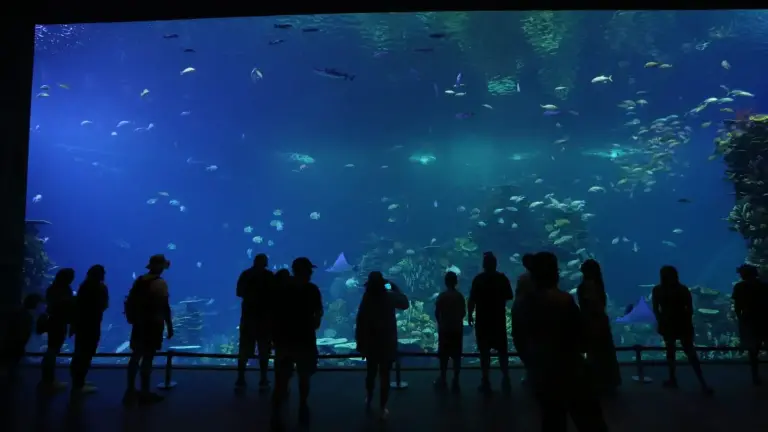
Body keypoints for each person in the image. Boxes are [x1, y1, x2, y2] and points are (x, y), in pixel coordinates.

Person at [525, 252, 608, 432]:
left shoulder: (528, 303)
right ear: (555, 274)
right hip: (571, 368)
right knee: (589, 421)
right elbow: (581, 335)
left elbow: (525, 338)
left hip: (545, 373)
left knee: (553, 421)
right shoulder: (564, 300)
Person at [271, 257, 323, 430]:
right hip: (304, 339)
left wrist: (274, 337)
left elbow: (273, 313)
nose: (311, 273)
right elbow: (318, 313)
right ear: (304, 271)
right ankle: (302, 404)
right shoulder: (312, 289)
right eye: (309, 270)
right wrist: (314, 322)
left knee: (283, 377)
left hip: (284, 339)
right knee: (303, 375)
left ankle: (278, 410)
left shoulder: (282, 288)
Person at [651, 265, 713, 394]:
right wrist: (687, 323)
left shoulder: (658, 290)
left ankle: (673, 379)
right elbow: (689, 309)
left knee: (671, 352)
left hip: (668, 324)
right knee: (689, 352)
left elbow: (656, 309)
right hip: (682, 324)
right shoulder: (683, 289)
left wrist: (661, 321)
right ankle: (702, 382)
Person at [356, 271, 409, 419]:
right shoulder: (389, 296)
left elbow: (360, 321)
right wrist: (394, 286)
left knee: (371, 373)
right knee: (385, 375)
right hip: (387, 342)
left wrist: (360, 343)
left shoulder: (367, 298)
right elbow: (405, 303)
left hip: (371, 343)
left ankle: (369, 398)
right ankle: (382, 407)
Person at [123, 254, 173, 405]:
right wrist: (169, 325)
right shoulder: (160, 283)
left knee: (135, 356)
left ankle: (130, 390)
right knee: (148, 357)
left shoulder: (140, 280)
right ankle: (145, 393)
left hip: (139, 324)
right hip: (153, 325)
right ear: (160, 267)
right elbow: (164, 306)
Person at [468, 251, 513, 394]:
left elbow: (472, 299)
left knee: (484, 352)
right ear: (496, 264)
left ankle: (486, 380)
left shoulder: (478, 279)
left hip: (483, 320)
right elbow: (509, 296)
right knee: (502, 351)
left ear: (484, 265)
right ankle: (506, 378)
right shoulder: (502, 279)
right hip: (498, 320)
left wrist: (469, 314)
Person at [577, 259, 621, 393]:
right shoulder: (598, 285)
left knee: (595, 352)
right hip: (601, 321)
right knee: (605, 352)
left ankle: (597, 381)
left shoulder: (586, 286)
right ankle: (609, 380)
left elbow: (590, 306)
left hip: (592, 323)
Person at [236, 253, 276, 391]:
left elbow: (239, 292)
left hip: (248, 318)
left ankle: (241, 378)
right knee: (264, 350)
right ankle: (263, 378)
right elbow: (274, 295)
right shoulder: (269, 276)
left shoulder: (246, 274)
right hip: (264, 319)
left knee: (244, 349)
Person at [70, 264, 109, 395]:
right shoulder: (101, 288)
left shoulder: (83, 286)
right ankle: (79, 385)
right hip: (93, 324)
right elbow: (104, 305)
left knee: (79, 351)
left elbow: (77, 305)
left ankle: (77, 382)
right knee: (87, 353)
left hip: (81, 323)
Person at [732, 263, 768, 385]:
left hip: (749, 321)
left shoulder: (739, 287)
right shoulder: (764, 286)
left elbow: (737, 307)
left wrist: (741, 320)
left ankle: (755, 376)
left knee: (753, 351)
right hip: (764, 320)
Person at [40, 268, 76, 391]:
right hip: (58, 323)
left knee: (51, 350)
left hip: (54, 321)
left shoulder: (52, 288)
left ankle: (47, 379)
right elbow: (65, 307)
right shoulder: (64, 290)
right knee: (52, 351)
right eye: (71, 277)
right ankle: (48, 382)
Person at [433, 271, 465, 391]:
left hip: (445, 329)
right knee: (456, 356)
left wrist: (441, 323)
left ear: (445, 282)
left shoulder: (442, 296)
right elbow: (463, 313)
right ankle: (456, 379)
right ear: (456, 282)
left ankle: (443, 378)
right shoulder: (460, 296)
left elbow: (437, 313)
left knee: (444, 355)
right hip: (456, 329)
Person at [1, 293, 43, 380]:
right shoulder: (26, 316)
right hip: (16, 341)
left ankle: (10, 375)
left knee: (11, 358)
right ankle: (10, 376)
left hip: (14, 341)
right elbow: (22, 331)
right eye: (39, 304)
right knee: (13, 358)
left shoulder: (22, 313)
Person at [512, 253, 536, 384]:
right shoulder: (537, 278)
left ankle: (531, 371)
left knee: (523, 343)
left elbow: (518, 296)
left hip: (525, 315)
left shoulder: (523, 278)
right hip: (533, 315)